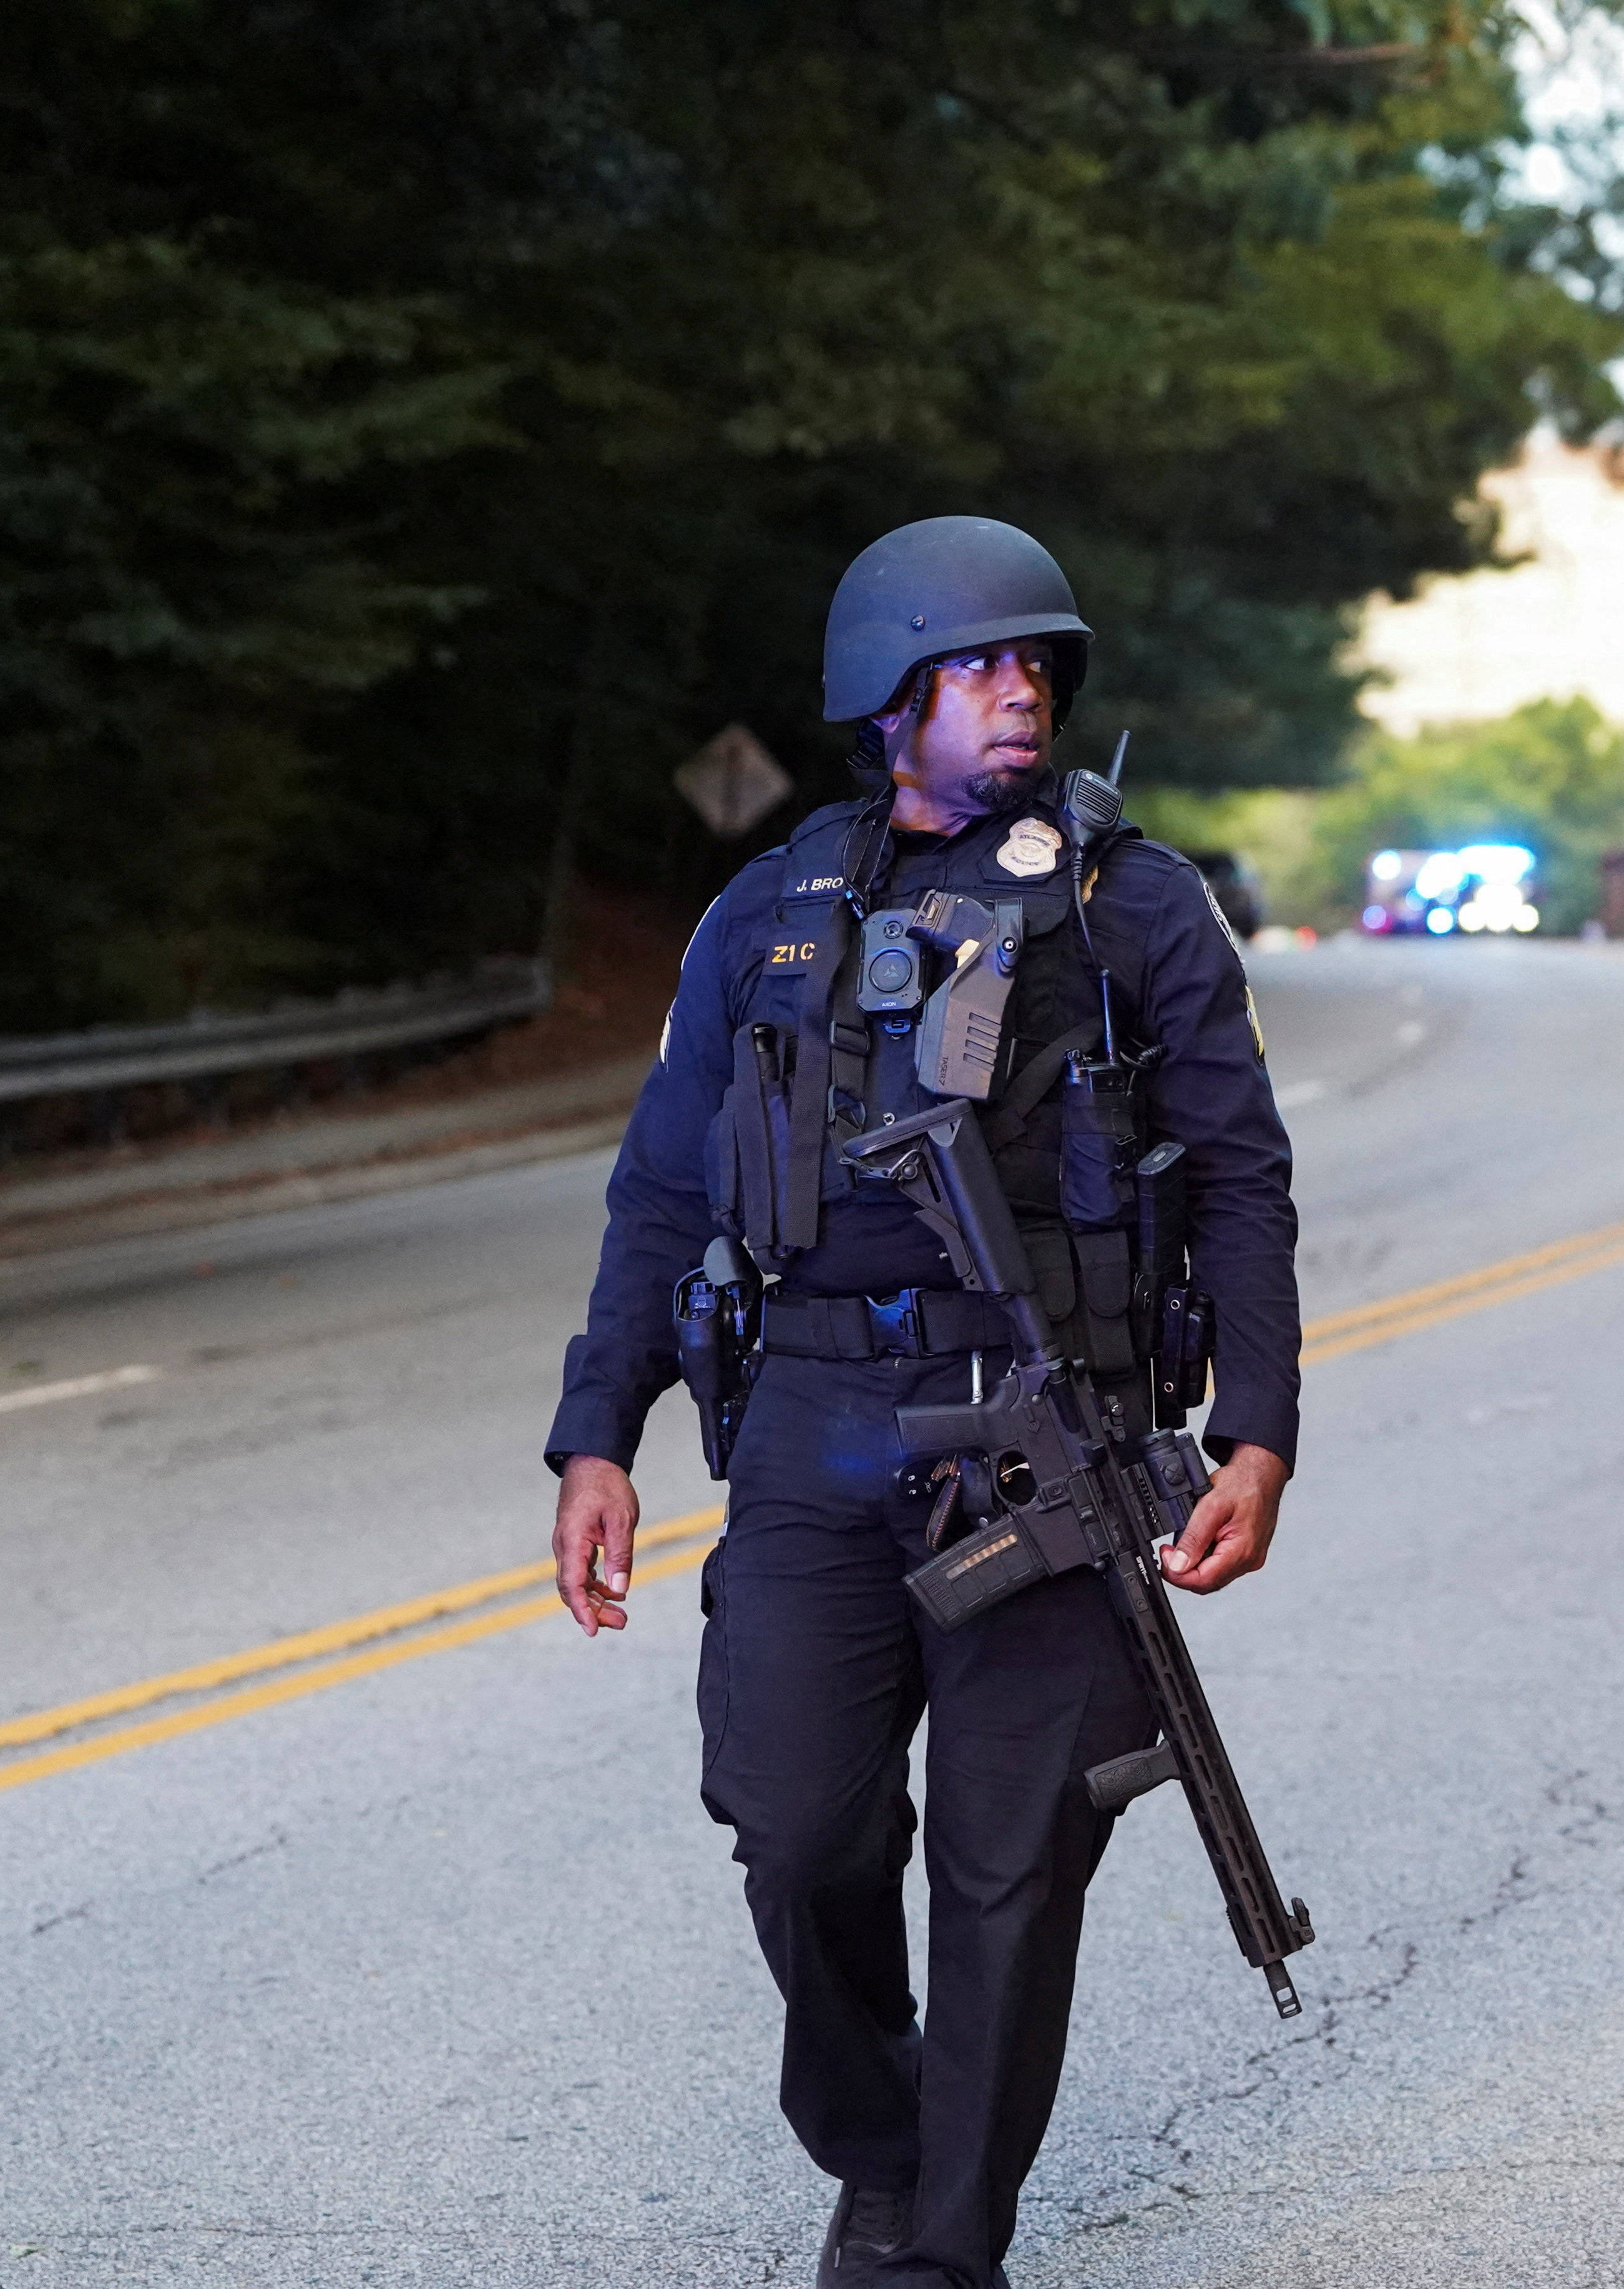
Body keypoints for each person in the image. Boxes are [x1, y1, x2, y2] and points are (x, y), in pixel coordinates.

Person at [542, 516, 1302, 2289]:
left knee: (1008, 1869)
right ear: (889, 699)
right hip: (813, 1420)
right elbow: (664, 1192)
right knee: (796, 1828)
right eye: (977, 666)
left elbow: (1245, 1177)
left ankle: (936, 2249)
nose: (1017, 690)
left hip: (1056, 1426)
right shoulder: (773, 908)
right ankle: (882, 2149)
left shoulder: (1135, 905)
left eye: (1035, 664)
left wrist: (1255, 1425)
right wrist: (600, 1429)